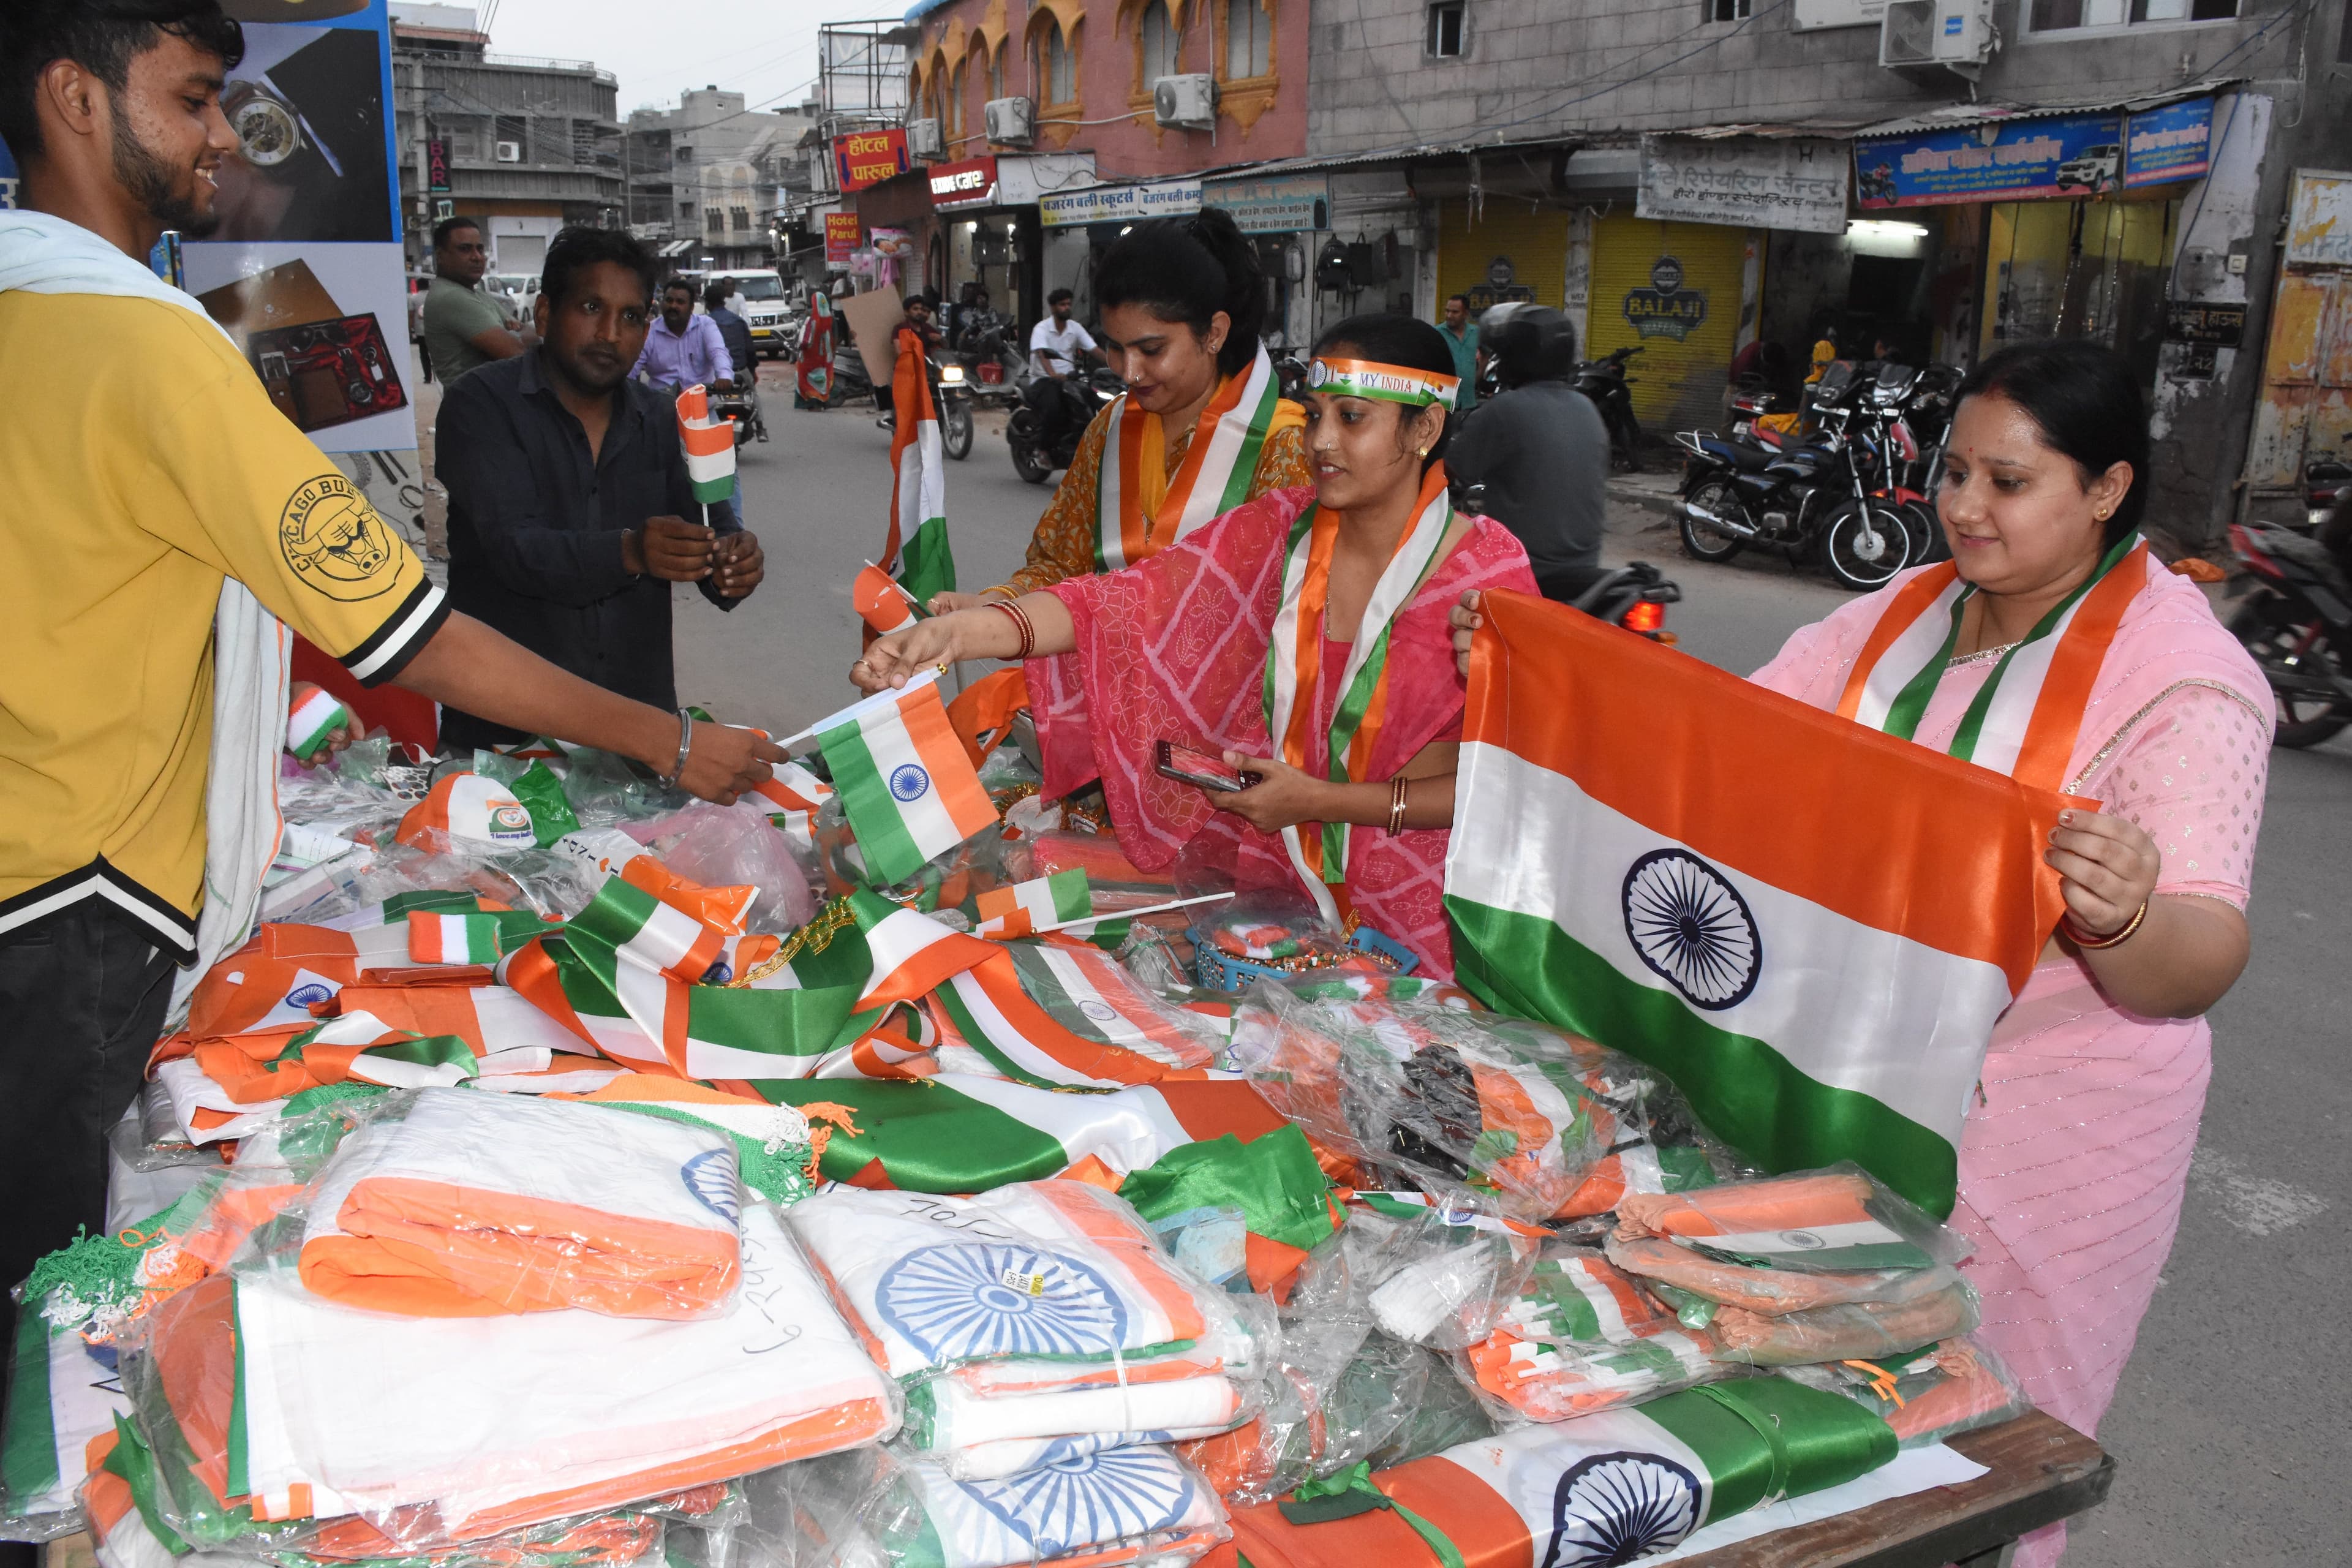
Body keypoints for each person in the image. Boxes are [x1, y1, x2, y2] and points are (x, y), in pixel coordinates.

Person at [0, 0, 780, 1395]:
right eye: (189, 99)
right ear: (73, 98)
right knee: (46, 1329)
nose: (215, 139)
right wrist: (669, 738)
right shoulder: (154, 349)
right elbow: (412, 631)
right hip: (66, 911)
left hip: (42, 875)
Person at [1457, 339, 2270, 1568]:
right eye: (1954, 473)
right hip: (1856, 1067)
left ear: (2106, 490)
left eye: (2009, 483)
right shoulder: (1904, 610)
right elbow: (1740, 751)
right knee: (1816, 1370)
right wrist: (1555, 666)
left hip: (2052, 1122)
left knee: (1988, 1425)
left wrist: (2129, 913)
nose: (1962, 508)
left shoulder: (2187, 682)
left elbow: (2195, 963)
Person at [856, 315, 1536, 975]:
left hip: (1425, 926)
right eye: (1315, 412)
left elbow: (1510, 783)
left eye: (1352, 418)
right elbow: (1119, 603)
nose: (1321, 440)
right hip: (1275, 908)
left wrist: (1317, 801)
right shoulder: (1280, 532)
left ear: (1424, 427)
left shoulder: (1486, 578)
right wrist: (952, 634)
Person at [436, 227, 766, 753]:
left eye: (632, 317)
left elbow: (711, 524)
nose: (611, 333)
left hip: (637, 740)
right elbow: (515, 549)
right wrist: (631, 551)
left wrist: (732, 562)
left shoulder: (661, 418)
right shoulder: (480, 405)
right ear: (545, 314)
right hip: (503, 737)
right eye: (592, 307)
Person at [933, 209, 1311, 611]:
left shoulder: (1284, 449)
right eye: (1115, 347)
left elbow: (1297, 615)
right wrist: (992, 607)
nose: (1128, 373)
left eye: (1151, 350)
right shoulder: (1110, 427)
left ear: (1214, 333)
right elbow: (1059, 567)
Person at [1446, 304, 1606, 597]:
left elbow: (1445, 472)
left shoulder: (1505, 410)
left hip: (1524, 571)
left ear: (1512, 358)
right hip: (1585, 570)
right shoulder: (1587, 407)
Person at [421, 214, 528, 386]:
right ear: (440, 256)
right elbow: (519, 353)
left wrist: (518, 334)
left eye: (480, 249)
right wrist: (515, 334)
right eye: (465, 249)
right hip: (476, 407)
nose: (477, 257)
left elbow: (528, 335)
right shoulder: (451, 297)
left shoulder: (475, 294)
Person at [1021, 285, 1100, 450]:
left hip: (1069, 380)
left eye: (1069, 304)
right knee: (1054, 409)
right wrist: (1053, 374)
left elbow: (1094, 350)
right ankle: (1042, 449)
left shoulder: (1075, 328)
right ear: (1053, 307)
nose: (1066, 308)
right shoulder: (1041, 329)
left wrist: (1117, 364)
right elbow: (1043, 354)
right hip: (1044, 381)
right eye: (1062, 305)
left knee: (1091, 402)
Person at [631, 274, 733, 393]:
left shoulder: (705, 325)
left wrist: (724, 377)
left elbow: (718, 352)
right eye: (669, 300)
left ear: (691, 308)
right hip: (662, 405)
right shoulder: (650, 331)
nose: (673, 306)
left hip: (703, 405)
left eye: (680, 302)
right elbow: (634, 364)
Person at [702, 276, 755, 383]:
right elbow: (750, 350)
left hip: (715, 378)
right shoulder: (739, 322)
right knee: (754, 398)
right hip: (741, 373)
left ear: (707, 304)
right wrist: (752, 372)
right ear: (723, 301)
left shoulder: (702, 324)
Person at [1438, 292, 1479, 414]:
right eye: (1447, 311)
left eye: (1455, 312)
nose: (1449, 315)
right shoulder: (1437, 333)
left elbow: (1486, 354)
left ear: (1466, 313)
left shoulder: (1476, 333)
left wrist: (1478, 375)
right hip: (1444, 402)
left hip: (1469, 402)